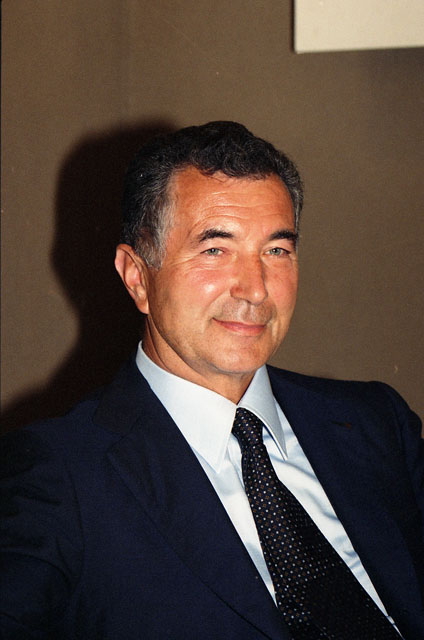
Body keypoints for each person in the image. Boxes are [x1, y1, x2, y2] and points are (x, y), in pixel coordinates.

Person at [1, 121, 423, 639]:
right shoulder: (56, 475)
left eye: (276, 250)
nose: (255, 289)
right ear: (137, 277)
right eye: (215, 250)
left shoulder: (377, 423)